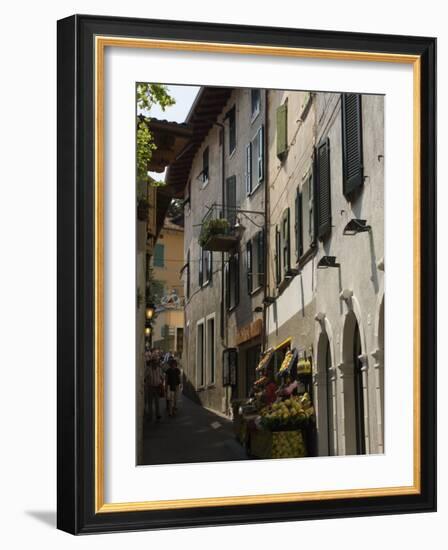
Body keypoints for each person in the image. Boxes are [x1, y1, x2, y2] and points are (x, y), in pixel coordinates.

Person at [144, 357, 163, 422]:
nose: (155, 364)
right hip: (150, 387)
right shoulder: (148, 369)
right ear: (151, 364)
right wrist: (147, 384)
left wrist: (161, 385)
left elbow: (161, 377)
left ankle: (158, 414)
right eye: (153, 363)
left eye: (156, 363)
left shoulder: (159, 369)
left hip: (157, 387)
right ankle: (150, 416)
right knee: (150, 402)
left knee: (157, 402)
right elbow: (145, 378)